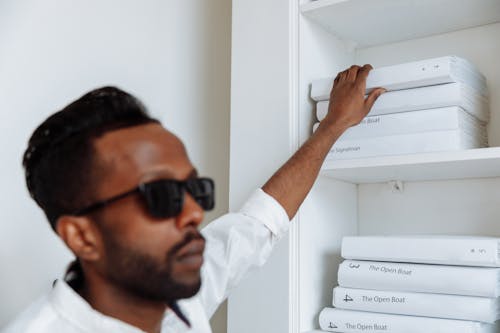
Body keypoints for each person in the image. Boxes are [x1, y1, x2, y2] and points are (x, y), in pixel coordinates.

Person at [2, 65, 384, 333]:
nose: (194, 211)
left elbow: (259, 222)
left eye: (195, 189)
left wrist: (332, 126)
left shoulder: (176, 292)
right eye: (162, 195)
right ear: (82, 236)